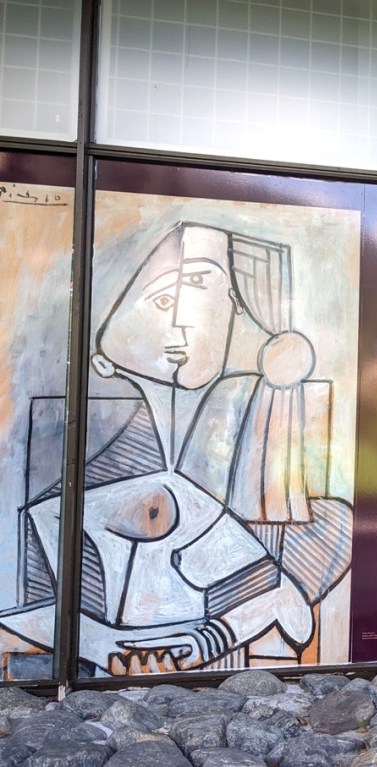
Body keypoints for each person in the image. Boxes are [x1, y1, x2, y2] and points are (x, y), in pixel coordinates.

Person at [0, 222, 351, 676]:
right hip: (117, 641)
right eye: (163, 300)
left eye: (204, 287)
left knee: (331, 521)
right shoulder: (76, 459)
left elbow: (286, 604)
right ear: (99, 355)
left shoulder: (247, 430)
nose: (185, 321)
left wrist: (218, 631)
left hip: (187, 637)